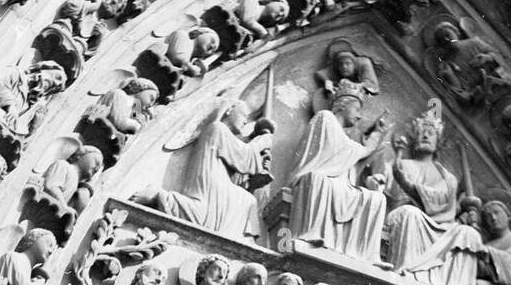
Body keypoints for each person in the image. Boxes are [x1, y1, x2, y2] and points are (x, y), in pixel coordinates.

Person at [383, 98, 482, 285]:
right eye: (421, 132)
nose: (426, 135)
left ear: (439, 143)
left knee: (469, 234)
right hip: (407, 217)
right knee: (410, 213)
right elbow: (392, 195)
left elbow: (446, 207)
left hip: (440, 227)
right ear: (413, 138)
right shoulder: (402, 165)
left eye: (431, 133)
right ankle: (405, 274)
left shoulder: (448, 177)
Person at [288, 81, 390, 263]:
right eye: (357, 110)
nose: (359, 117)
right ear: (342, 106)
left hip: (342, 187)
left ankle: (369, 255)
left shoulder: (346, 141)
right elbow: (343, 151)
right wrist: (372, 139)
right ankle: (311, 234)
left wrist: (377, 135)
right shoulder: (325, 117)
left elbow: (353, 158)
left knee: (377, 199)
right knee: (317, 178)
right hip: (322, 180)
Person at [153, 98, 271, 241]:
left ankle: (244, 241)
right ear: (229, 110)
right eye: (244, 115)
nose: (246, 121)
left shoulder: (226, 137)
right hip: (209, 185)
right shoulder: (217, 128)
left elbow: (239, 165)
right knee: (245, 202)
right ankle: (158, 196)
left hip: (221, 184)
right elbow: (244, 157)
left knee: (248, 199)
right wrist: (261, 141)